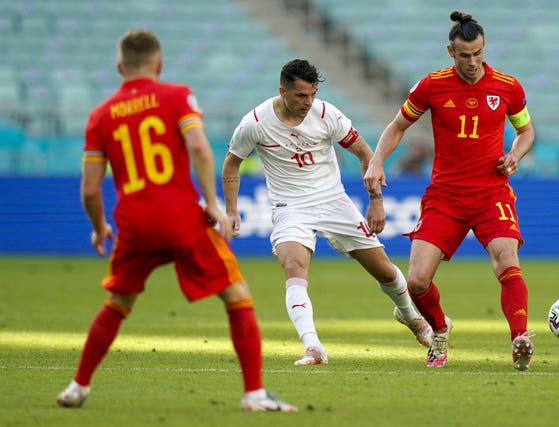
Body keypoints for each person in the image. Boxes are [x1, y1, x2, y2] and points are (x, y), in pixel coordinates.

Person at [55, 30, 296, 412]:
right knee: (237, 295)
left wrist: (100, 226)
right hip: (181, 217)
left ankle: (77, 387)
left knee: (117, 301)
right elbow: (199, 146)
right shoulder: (176, 96)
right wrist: (215, 205)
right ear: (159, 64)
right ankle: (254, 394)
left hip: (133, 225)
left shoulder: (99, 116)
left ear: (120, 68)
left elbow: (89, 190)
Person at [221, 59, 433, 366]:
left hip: (334, 201)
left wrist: (376, 200)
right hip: (290, 207)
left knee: (385, 271)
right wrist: (231, 210)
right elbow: (231, 162)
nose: (308, 102)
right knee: (294, 267)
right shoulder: (255, 122)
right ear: (283, 91)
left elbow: (364, 153)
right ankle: (313, 347)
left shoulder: (326, 114)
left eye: (312, 94)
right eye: (301, 96)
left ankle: (411, 317)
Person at [364, 11, 536, 371]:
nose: (472, 63)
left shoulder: (508, 86)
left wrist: (514, 155)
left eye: (478, 54)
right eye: (464, 56)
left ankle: (519, 338)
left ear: (483, 49)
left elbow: (526, 132)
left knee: (507, 259)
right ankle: (439, 329)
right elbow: (397, 127)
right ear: (450, 51)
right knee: (416, 280)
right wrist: (376, 162)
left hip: (492, 192)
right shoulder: (431, 85)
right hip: (446, 196)